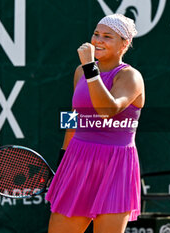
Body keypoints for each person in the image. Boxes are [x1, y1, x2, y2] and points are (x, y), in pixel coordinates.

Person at [46, 14, 145, 233]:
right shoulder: (80, 71)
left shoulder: (130, 77)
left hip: (116, 164)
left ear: (124, 44)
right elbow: (74, 116)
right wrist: (63, 158)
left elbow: (107, 111)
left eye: (107, 36)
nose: (98, 40)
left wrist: (91, 68)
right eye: (96, 34)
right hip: (78, 159)